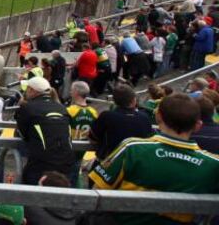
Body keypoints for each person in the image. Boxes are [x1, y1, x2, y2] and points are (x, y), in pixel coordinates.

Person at [90, 93, 219, 225]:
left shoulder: (132, 148)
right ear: (198, 125)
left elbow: (97, 191)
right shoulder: (214, 165)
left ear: (158, 117)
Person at [15, 76, 74, 185]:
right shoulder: (61, 108)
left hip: (40, 164)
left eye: (27, 89)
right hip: (66, 163)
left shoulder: (27, 108)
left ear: (32, 90)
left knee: (31, 195)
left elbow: (23, 135)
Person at [89, 84, 152, 161]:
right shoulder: (144, 117)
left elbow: (93, 137)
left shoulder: (106, 116)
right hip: (137, 163)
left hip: (111, 162)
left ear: (114, 101)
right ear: (133, 100)